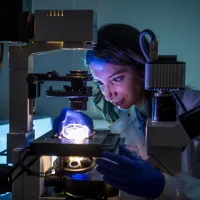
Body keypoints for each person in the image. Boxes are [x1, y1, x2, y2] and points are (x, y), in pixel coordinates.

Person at [53, 24, 200, 199]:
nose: (107, 94)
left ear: (143, 69)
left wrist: (164, 187)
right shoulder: (130, 120)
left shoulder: (194, 111)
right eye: (100, 83)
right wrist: (85, 141)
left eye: (116, 79)